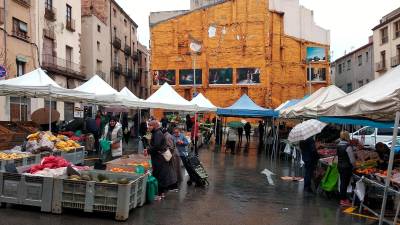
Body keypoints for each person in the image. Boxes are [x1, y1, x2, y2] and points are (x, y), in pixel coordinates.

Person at [146, 120, 177, 199]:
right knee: (160, 174)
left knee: (159, 175)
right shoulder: (156, 133)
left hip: (159, 158)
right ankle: (161, 193)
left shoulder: (157, 134)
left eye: (150, 125)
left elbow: (157, 146)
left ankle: (160, 194)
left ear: (155, 126)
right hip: (159, 158)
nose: (148, 127)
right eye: (148, 125)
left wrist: (148, 150)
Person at [337, 131, 356, 206]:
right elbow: (352, 159)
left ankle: (343, 198)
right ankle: (343, 200)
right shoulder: (348, 146)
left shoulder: (338, 145)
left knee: (342, 182)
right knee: (345, 183)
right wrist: (355, 166)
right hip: (346, 167)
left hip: (340, 166)